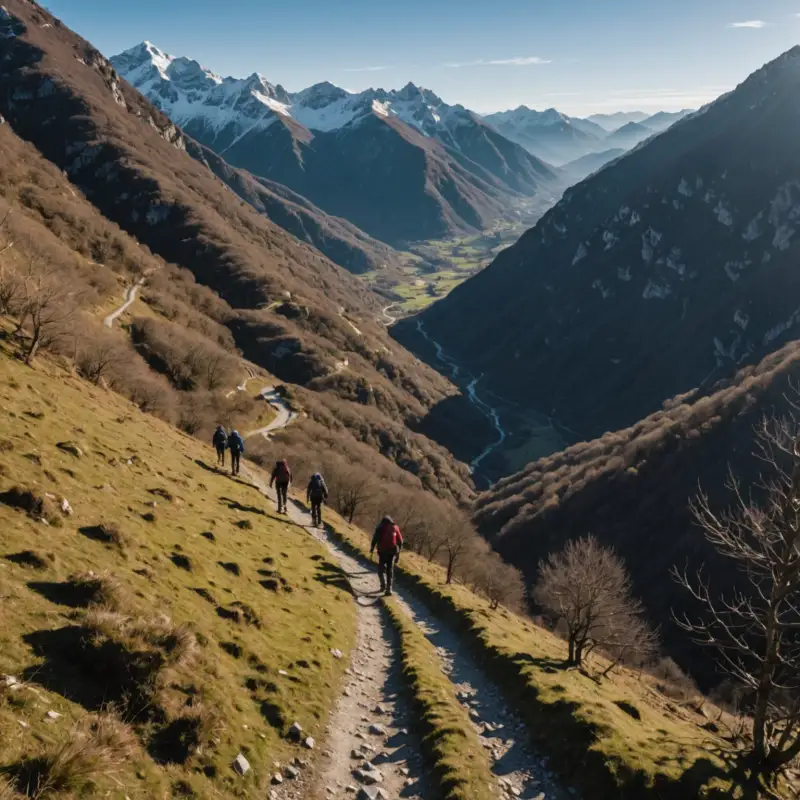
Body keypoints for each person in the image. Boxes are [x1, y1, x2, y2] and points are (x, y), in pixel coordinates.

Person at [370, 515, 403, 596]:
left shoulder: (380, 527)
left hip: (382, 552)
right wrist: (398, 553)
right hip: (392, 552)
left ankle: (383, 586)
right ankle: (389, 589)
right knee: (390, 570)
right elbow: (400, 541)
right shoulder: (395, 527)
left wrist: (372, 548)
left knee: (380, 570)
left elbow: (374, 539)